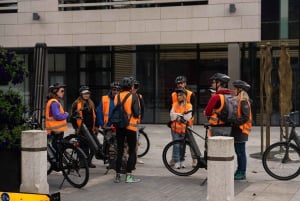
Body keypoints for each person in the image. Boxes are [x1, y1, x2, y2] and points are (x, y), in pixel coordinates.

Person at [114, 77, 140, 183]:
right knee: (132, 151)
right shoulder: (133, 96)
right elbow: (136, 113)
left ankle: (117, 176)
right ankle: (129, 176)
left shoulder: (117, 96)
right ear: (130, 87)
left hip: (119, 126)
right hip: (130, 127)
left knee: (119, 151)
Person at [170, 75, 196, 166]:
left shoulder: (190, 94)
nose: (179, 85)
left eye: (181, 83)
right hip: (177, 123)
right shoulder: (174, 94)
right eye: (178, 83)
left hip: (187, 122)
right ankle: (174, 159)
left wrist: (188, 120)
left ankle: (194, 159)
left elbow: (194, 110)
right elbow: (172, 107)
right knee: (176, 142)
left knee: (191, 142)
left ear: (185, 84)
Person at [71, 86, 98, 168]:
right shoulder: (77, 104)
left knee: (94, 146)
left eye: (88, 93)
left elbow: (94, 115)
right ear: (81, 94)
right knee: (84, 146)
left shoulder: (91, 103)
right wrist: (76, 128)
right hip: (82, 129)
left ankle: (88, 161)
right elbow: (73, 117)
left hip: (90, 128)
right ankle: (83, 163)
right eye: (85, 93)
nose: (86, 95)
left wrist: (96, 125)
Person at [231, 80, 252, 180]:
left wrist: (234, 122)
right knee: (238, 151)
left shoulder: (243, 101)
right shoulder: (239, 100)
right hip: (238, 130)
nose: (233, 90)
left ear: (240, 90)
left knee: (240, 152)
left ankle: (242, 172)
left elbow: (245, 117)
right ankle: (239, 170)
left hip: (241, 130)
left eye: (235, 89)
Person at [45, 83, 69, 151]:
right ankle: (59, 161)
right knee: (57, 148)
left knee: (56, 147)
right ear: (55, 91)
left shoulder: (54, 102)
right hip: (56, 130)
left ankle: (59, 161)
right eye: (62, 91)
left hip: (56, 130)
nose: (63, 93)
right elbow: (57, 116)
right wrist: (66, 114)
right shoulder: (54, 103)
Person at [131, 79, 145, 164]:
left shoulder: (139, 96)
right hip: (128, 122)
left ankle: (135, 158)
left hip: (136, 122)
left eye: (136, 87)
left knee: (136, 141)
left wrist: (140, 120)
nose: (134, 88)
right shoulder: (127, 96)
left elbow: (142, 109)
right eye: (133, 86)